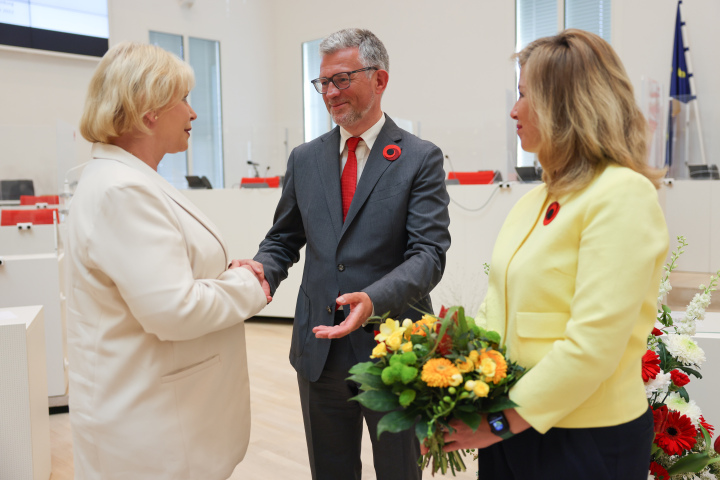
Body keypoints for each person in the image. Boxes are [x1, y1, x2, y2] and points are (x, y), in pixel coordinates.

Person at [437, 29, 669, 479]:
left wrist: (499, 423)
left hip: (584, 437)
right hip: (513, 427)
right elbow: (497, 310)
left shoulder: (621, 194)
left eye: (525, 95)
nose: (513, 109)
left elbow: (592, 348)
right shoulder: (535, 199)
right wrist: (452, 380)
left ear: (565, 105)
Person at [247, 28, 451, 480]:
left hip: (392, 348)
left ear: (380, 80)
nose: (330, 93)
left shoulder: (419, 158)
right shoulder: (305, 159)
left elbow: (428, 254)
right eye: (323, 83)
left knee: (400, 471)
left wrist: (373, 298)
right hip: (319, 350)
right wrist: (264, 267)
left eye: (342, 79)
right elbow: (284, 237)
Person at [66, 42, 270, 480]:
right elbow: (174, 310)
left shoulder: (130, 180)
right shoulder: (124, 191)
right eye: (183, 99)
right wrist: (249, 285)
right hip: (154, 429)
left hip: (165, 415)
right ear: (147, 112)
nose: (193, 113)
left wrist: (224, 277)